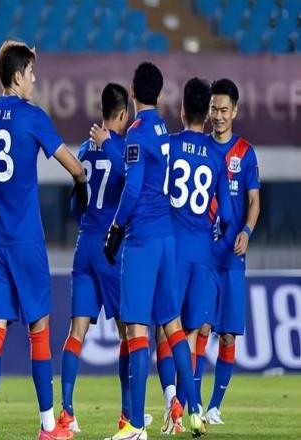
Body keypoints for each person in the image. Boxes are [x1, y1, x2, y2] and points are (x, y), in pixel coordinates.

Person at [0, 40, 87, 440]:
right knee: (39, 326)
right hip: (26, 240)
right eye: (32, 72)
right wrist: (83, 181)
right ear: (18, 75)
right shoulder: (33, 116)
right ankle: (47, 425)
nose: (35, 79)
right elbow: (72, 165)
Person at [92, 62, 206, 440]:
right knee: (172, 326)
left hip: (141, 238)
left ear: (132, 90)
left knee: (137, 330)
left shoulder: (138, 132)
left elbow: (133, 187)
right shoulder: (162, 130)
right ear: (158, 93)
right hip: (167, 238)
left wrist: (115, 227)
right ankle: (195, 412)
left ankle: (136, 426)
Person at [155, 77, 232, 434]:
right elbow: (227, 217)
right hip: (202, 254)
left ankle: (173, 405)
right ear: (207, 113)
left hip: (171, 252)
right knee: (188, 336)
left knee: (164, 332)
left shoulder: (169, 147)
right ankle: (193, 409)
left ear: (183, 109)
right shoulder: (218, 157)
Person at [58, 82, 136, 432]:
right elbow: (133, 186)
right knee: (127, 332)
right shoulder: (124, 149)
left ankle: (67, 412)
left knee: (76, 331)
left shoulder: (84, 150)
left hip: (84, 245)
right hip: (111, 248)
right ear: (122, 114)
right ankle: (127, 415)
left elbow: (75, 205)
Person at [195, 78, 261, 425]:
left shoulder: (245, 153)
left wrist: (246, 231)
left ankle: (214, 407)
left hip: (233, 257)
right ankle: (193, 404)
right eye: (213, 109)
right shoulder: (200, 149)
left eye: (223, 109)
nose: (217, 116)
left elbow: (254, 202)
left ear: (235, 111)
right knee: (201, 328)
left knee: (228, 334)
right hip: (204, 256)